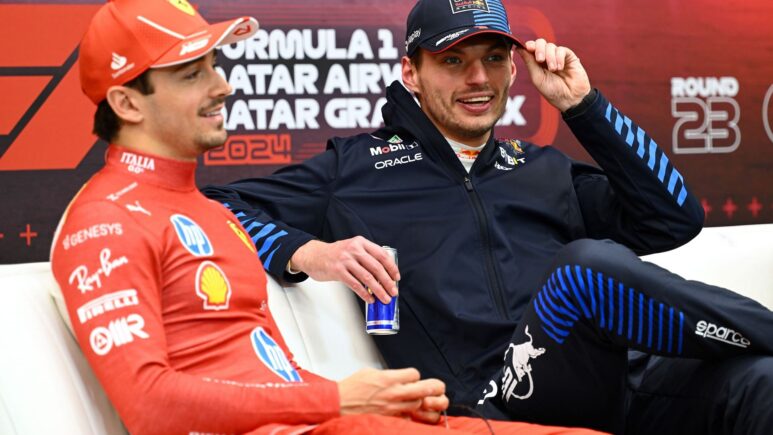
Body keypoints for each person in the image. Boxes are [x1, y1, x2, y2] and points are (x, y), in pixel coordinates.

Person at [202, 0, 773, 433]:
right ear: (411, 73)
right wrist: (309, 253)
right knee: (582, 272)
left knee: (760, 383)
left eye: (493, 59)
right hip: (498, 399)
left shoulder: (541, 166)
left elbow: (674, 218)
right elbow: (214, 208)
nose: (478, 79)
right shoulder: (353, 168)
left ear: (512, 69)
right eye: (453, 61)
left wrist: (583, 107)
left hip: (619, 384)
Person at [50, 1, 612, 434]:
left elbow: (259, 368)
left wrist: (373, 400)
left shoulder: (201, 209)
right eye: (191, 74)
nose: (223, 86)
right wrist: (339, 397)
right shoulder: (104, 221)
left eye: (214, 66)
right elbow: (149, 406)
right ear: (127, 103)